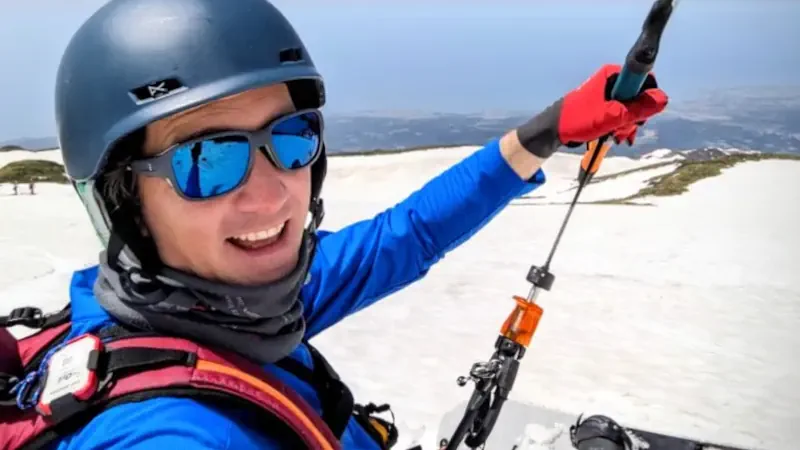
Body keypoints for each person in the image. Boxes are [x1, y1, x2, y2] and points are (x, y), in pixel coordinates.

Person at [0, 0, 668, 449]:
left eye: (292, 139)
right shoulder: (170, 432)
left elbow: (407, 237)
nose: (271, 198)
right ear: (121, 201)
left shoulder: (229, 302)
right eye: (206, 159)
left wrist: (549, 128)